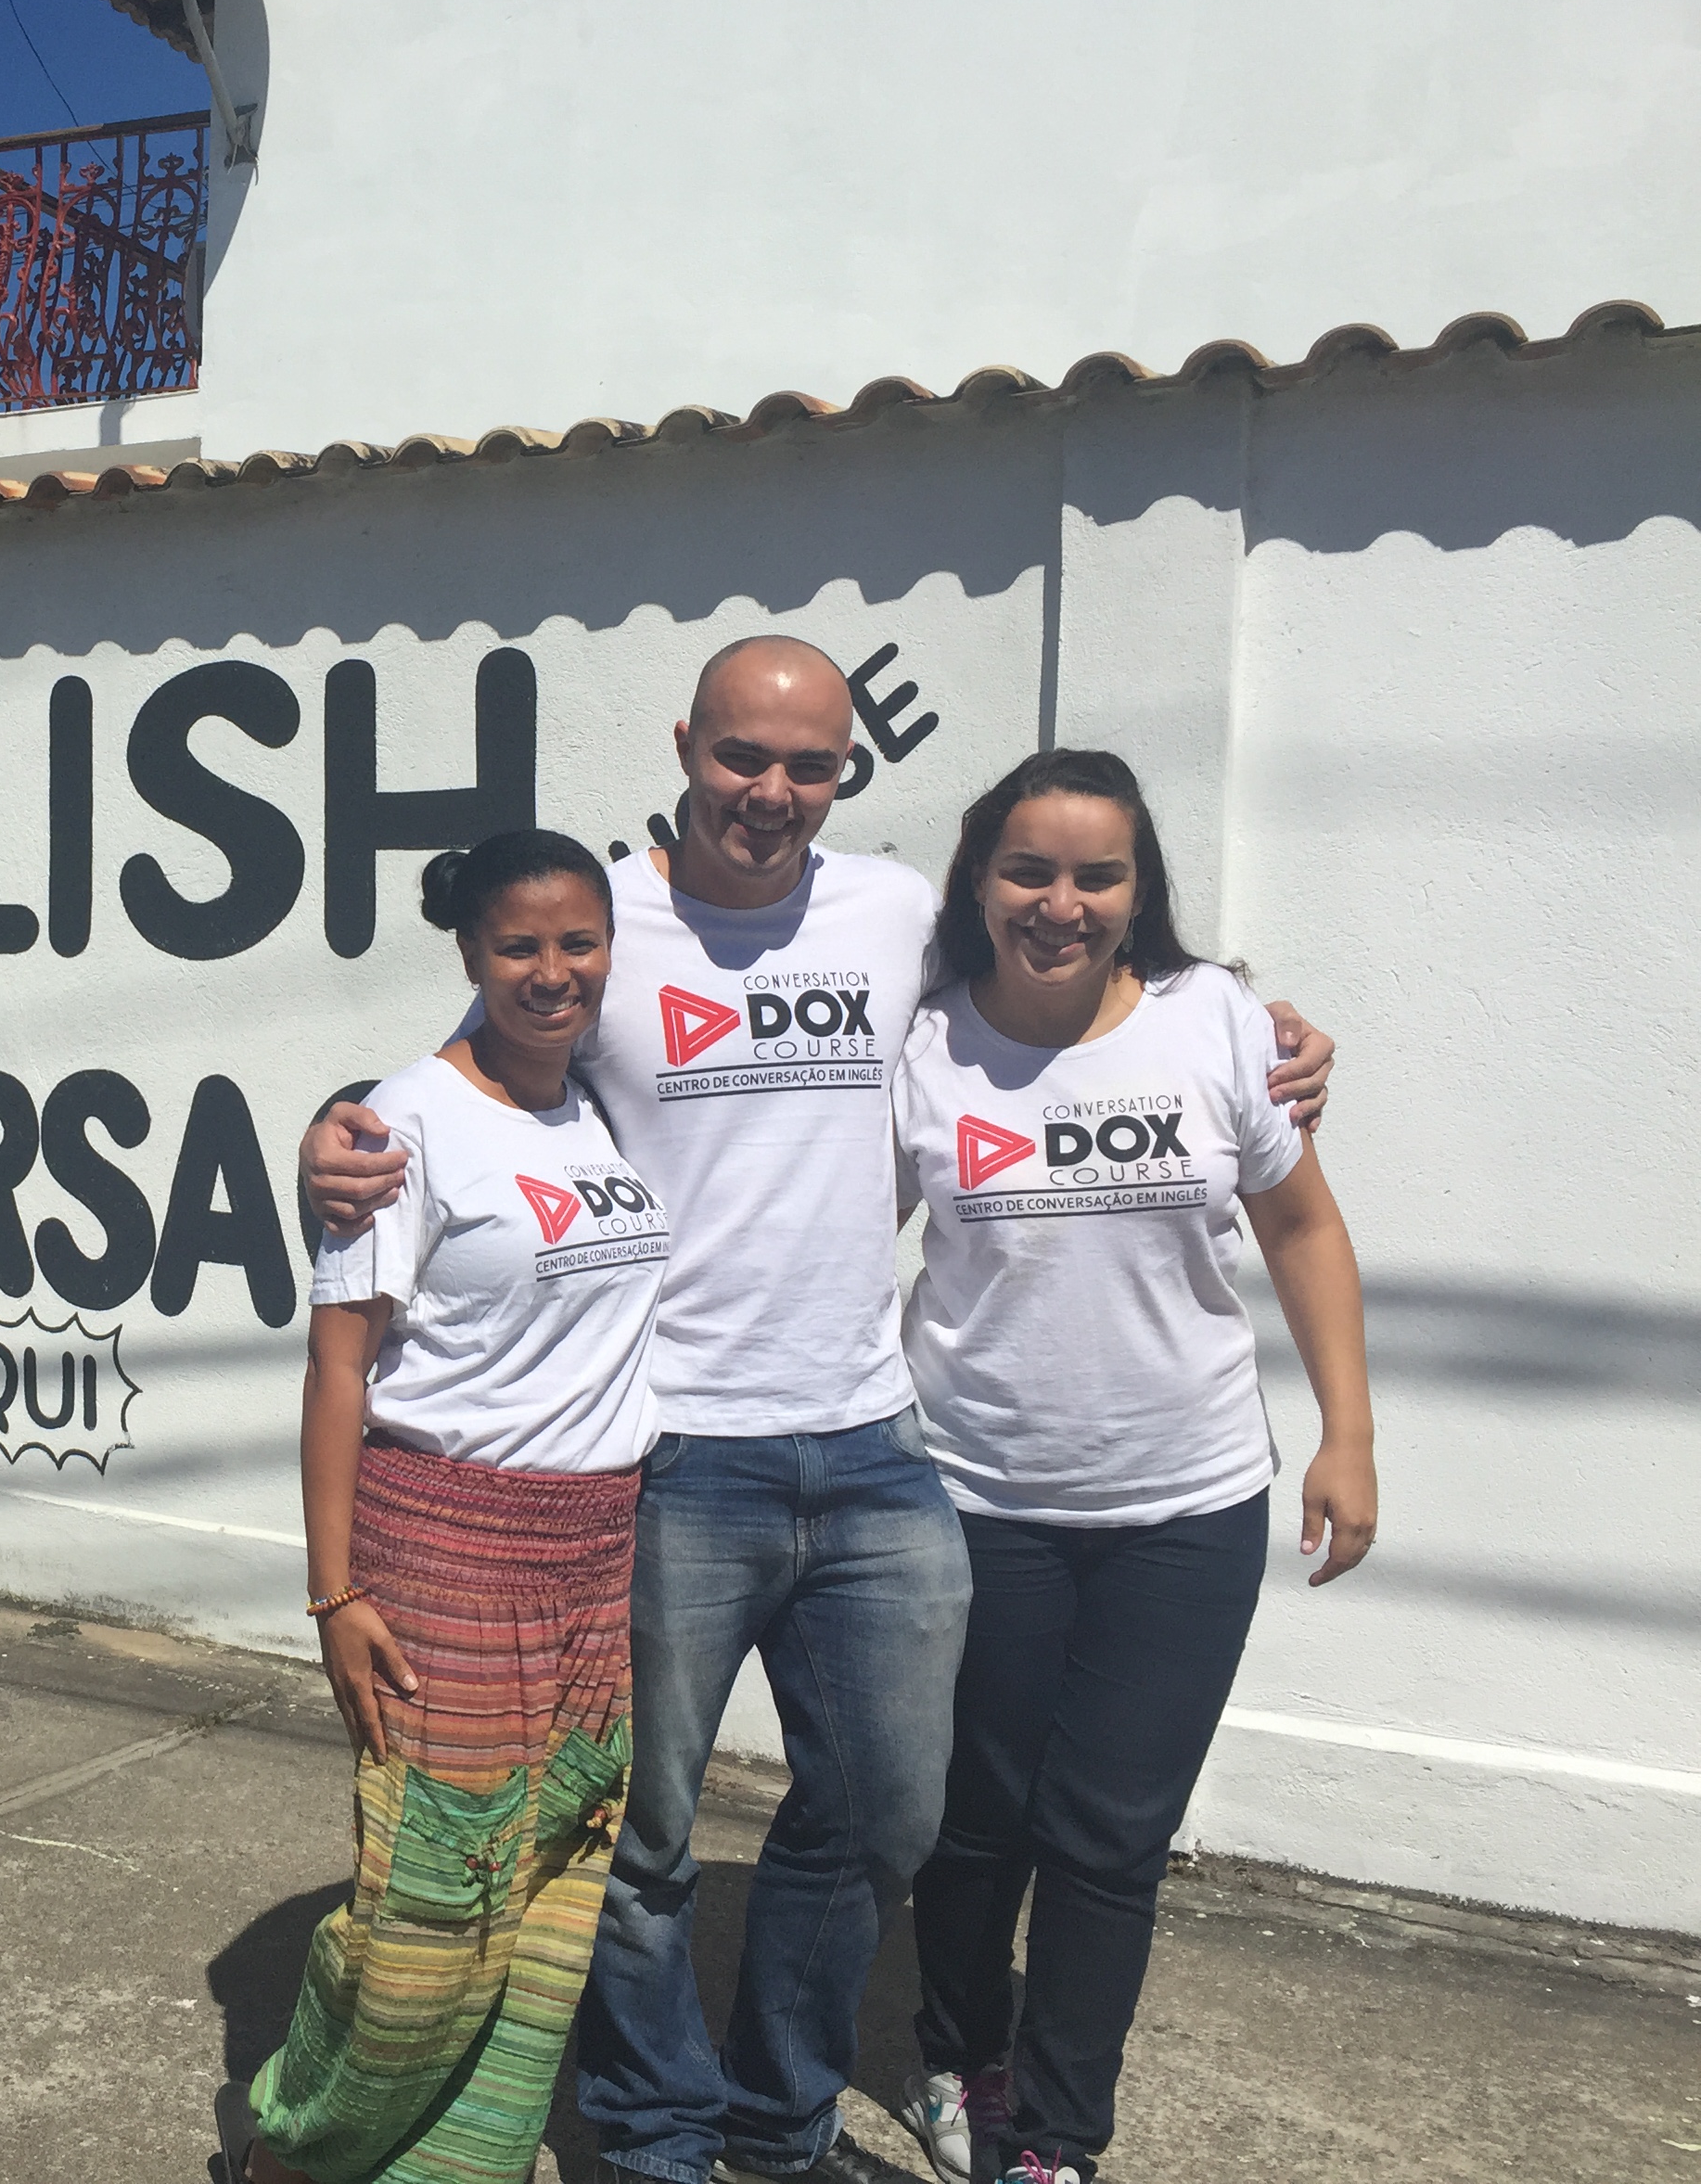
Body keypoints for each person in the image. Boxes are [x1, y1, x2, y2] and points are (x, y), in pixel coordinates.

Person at [300, 638, 1336, 2184]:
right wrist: (334, 1127)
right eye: (741, 756)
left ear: (847, 771)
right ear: (685, 745)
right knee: (641, 1835)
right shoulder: (606, 920)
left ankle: (778, 2125)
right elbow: (478, 1065)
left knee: (885, 1813)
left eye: (809, 764)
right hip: (672, 1452)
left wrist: (1263, 1027)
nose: (771, 791)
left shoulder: (895, 911)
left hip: (874, 1445)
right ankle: (657, 2134)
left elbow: (1072, 976)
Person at [888, 749, 1375, 2184]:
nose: (1062, 903)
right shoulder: (922, 1048)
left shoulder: (1213, 1020)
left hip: (1188, 1507)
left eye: (1098, 875)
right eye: (1029, 870)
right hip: (979, 1499)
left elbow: (1302, 1228)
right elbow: (823, 1227)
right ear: (981, 880)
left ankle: (1058, 2138)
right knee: (976, 1823)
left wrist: (1348, 1434)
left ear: (1138, 889)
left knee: (1109, 1839)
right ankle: (961, 2053)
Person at [243, 829, 670, 2184]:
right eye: (518, 947)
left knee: (545, 1901)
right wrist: (334, 1593)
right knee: (428, 1911)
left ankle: (453, 2169)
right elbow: (338, 1370)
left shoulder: (598, 1106)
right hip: (445, 1552)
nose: (553, 972)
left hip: (592, 1560)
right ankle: (297, 2153)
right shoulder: (401, 1128)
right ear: (471, 958)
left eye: (579, 943)